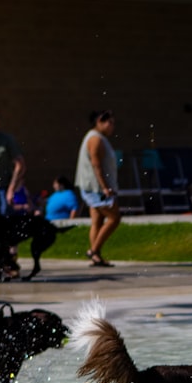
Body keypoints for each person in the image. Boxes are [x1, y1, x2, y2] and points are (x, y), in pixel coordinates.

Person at [75, 110, 121, 267]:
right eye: (110, 123)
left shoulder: (97, 137)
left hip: (93, 187)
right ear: (99, 121)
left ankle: (96, 257)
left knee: (97, 220)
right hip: (96, 188)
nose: (112, 127)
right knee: (115, 218)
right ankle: (93, 251)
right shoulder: (95, 139)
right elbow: (96, 165)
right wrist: (105, 188)